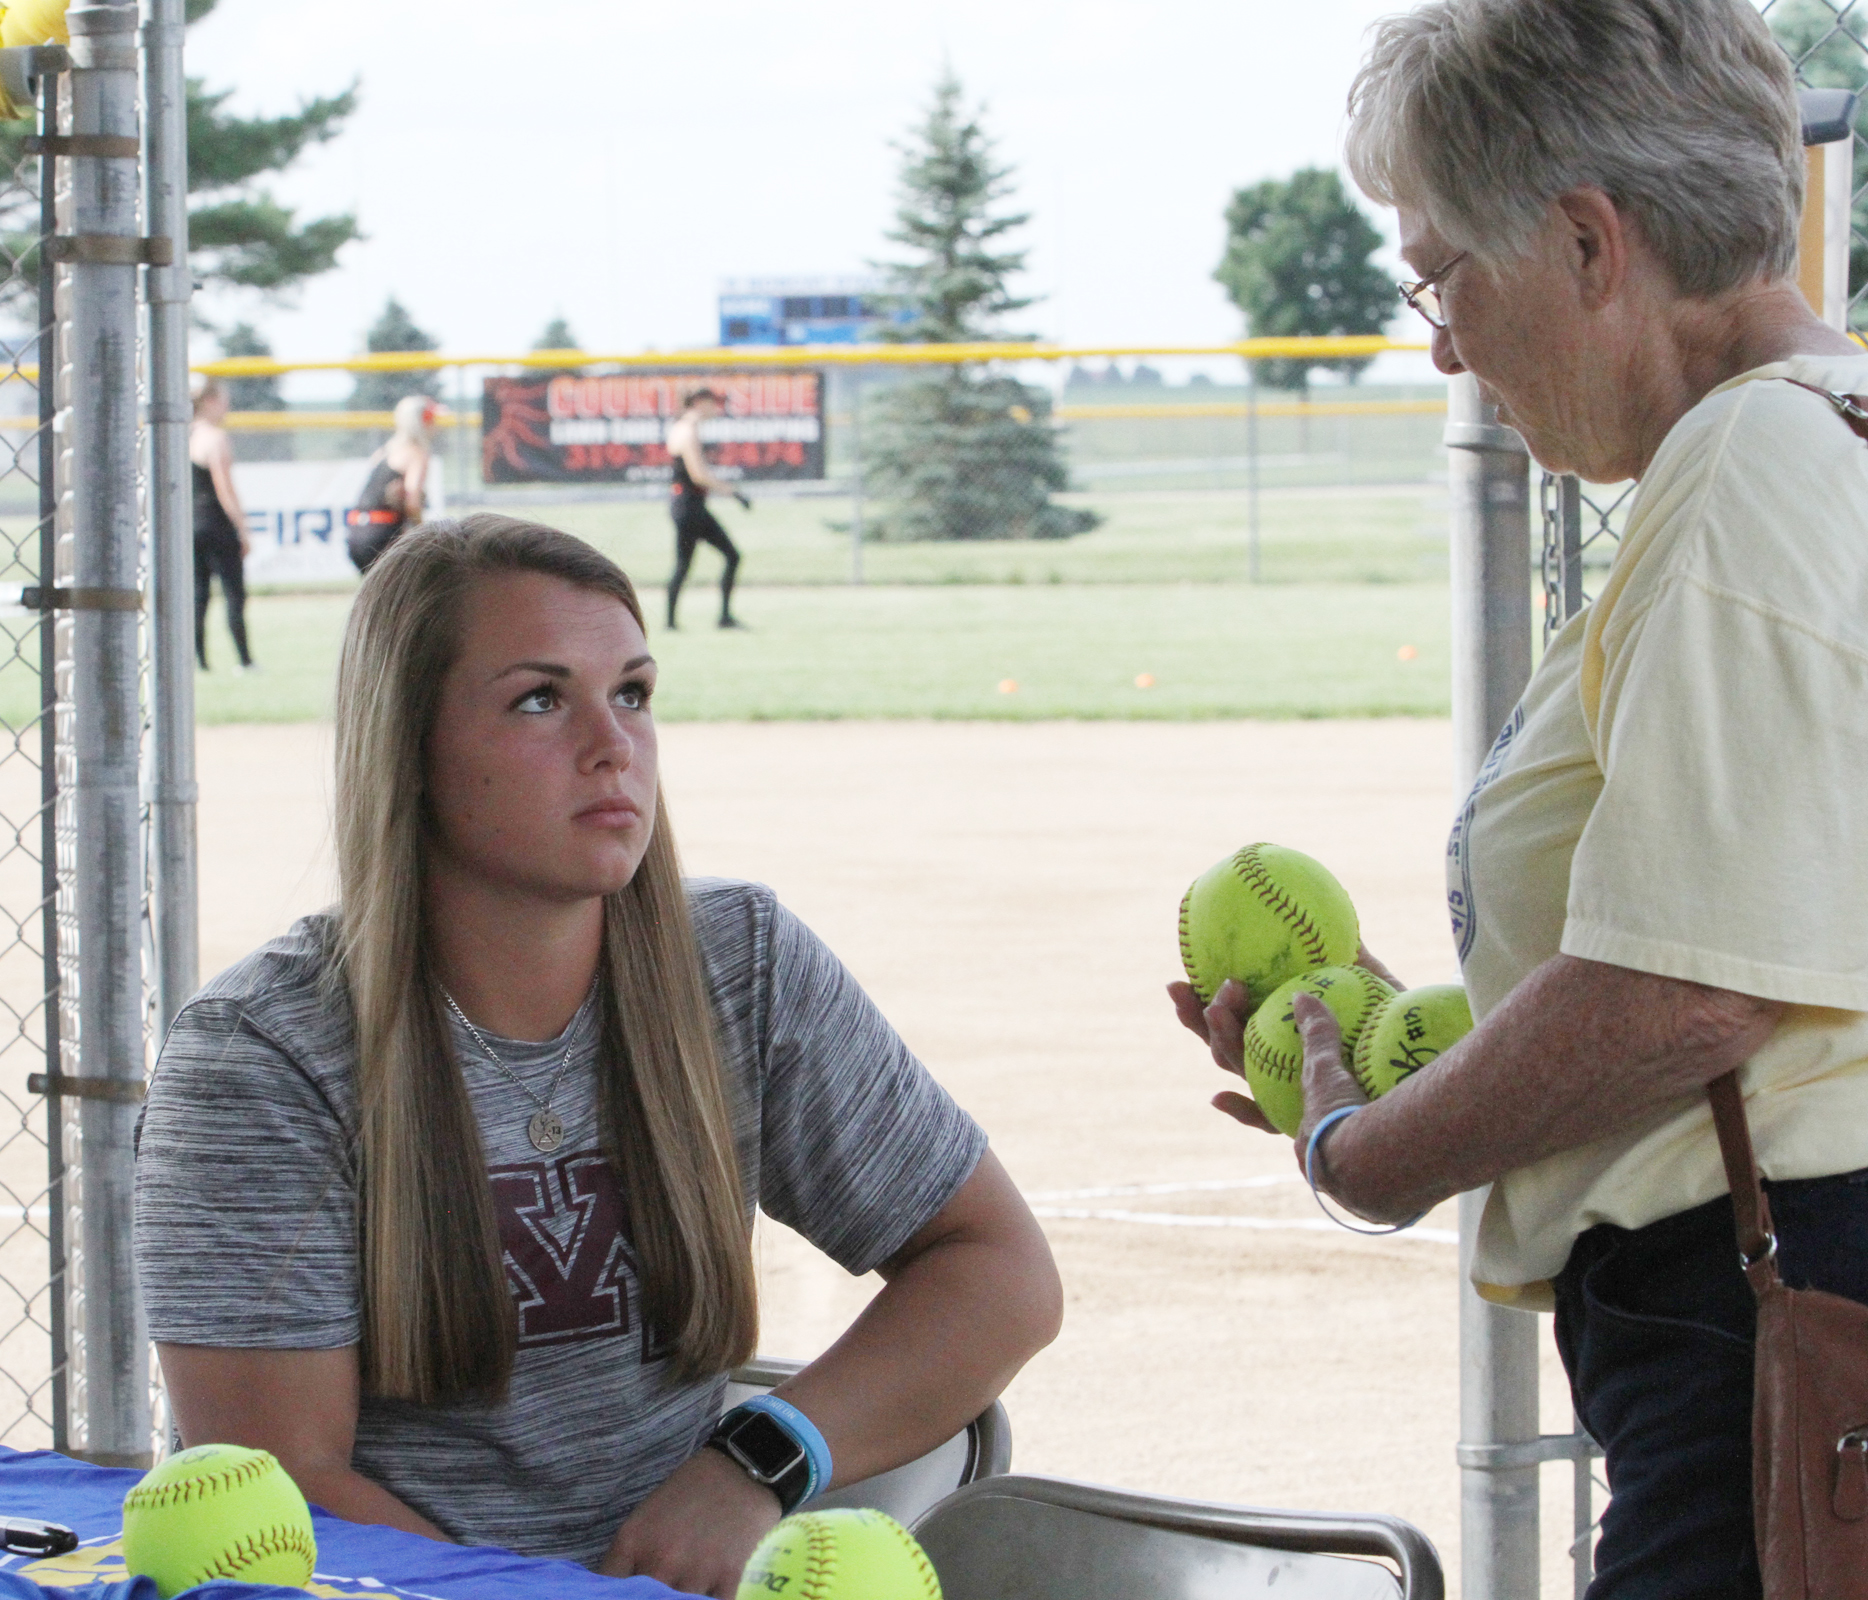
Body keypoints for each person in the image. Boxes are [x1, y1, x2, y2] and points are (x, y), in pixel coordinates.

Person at [1172, 3, 1868, 1594]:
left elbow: (1691, 990)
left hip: (1768, 1325)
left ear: (1585, 244)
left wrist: (1365, 1147)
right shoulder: (1826, 438)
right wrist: (1474, 1038)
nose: (1441, 342)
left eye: (1443, 274)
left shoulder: (1749, 472)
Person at [133, 514, 1061, 1600]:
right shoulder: (261, 1055)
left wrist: (752, 1463)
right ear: (411, 747)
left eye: (632, 691)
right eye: (539, 697)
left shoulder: (738, 965)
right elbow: (290, 1480)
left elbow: (997, 1270)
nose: (612, 743)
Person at [664, 388, 747, 630]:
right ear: (700, 403)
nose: (716, 409)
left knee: (686, 564)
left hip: (689, 505)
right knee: (730, 556)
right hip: (689, 507)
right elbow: (699, 475)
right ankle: (721, 618)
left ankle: (672, 622)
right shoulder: (687, 431)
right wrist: (734, 492)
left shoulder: (683, 427)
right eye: (713, 403)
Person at [189, 379, 254, 672]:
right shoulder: (215, 438)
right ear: (209, 401)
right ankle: (244, 660)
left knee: (198, 594)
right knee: (233, 594)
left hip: (190, 525)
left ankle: (199, 662)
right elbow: (224, 488)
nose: (226, 406)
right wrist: (241, 527)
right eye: (223, 400)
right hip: (216, 523)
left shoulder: (184, 436)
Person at [346, 395, 437, 574]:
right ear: (422, 421)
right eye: (432, 418)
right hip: (382, 534)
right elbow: (413, 503)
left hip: (356, 533)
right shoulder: (416, 453)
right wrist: (425, 536)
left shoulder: (384, 451)